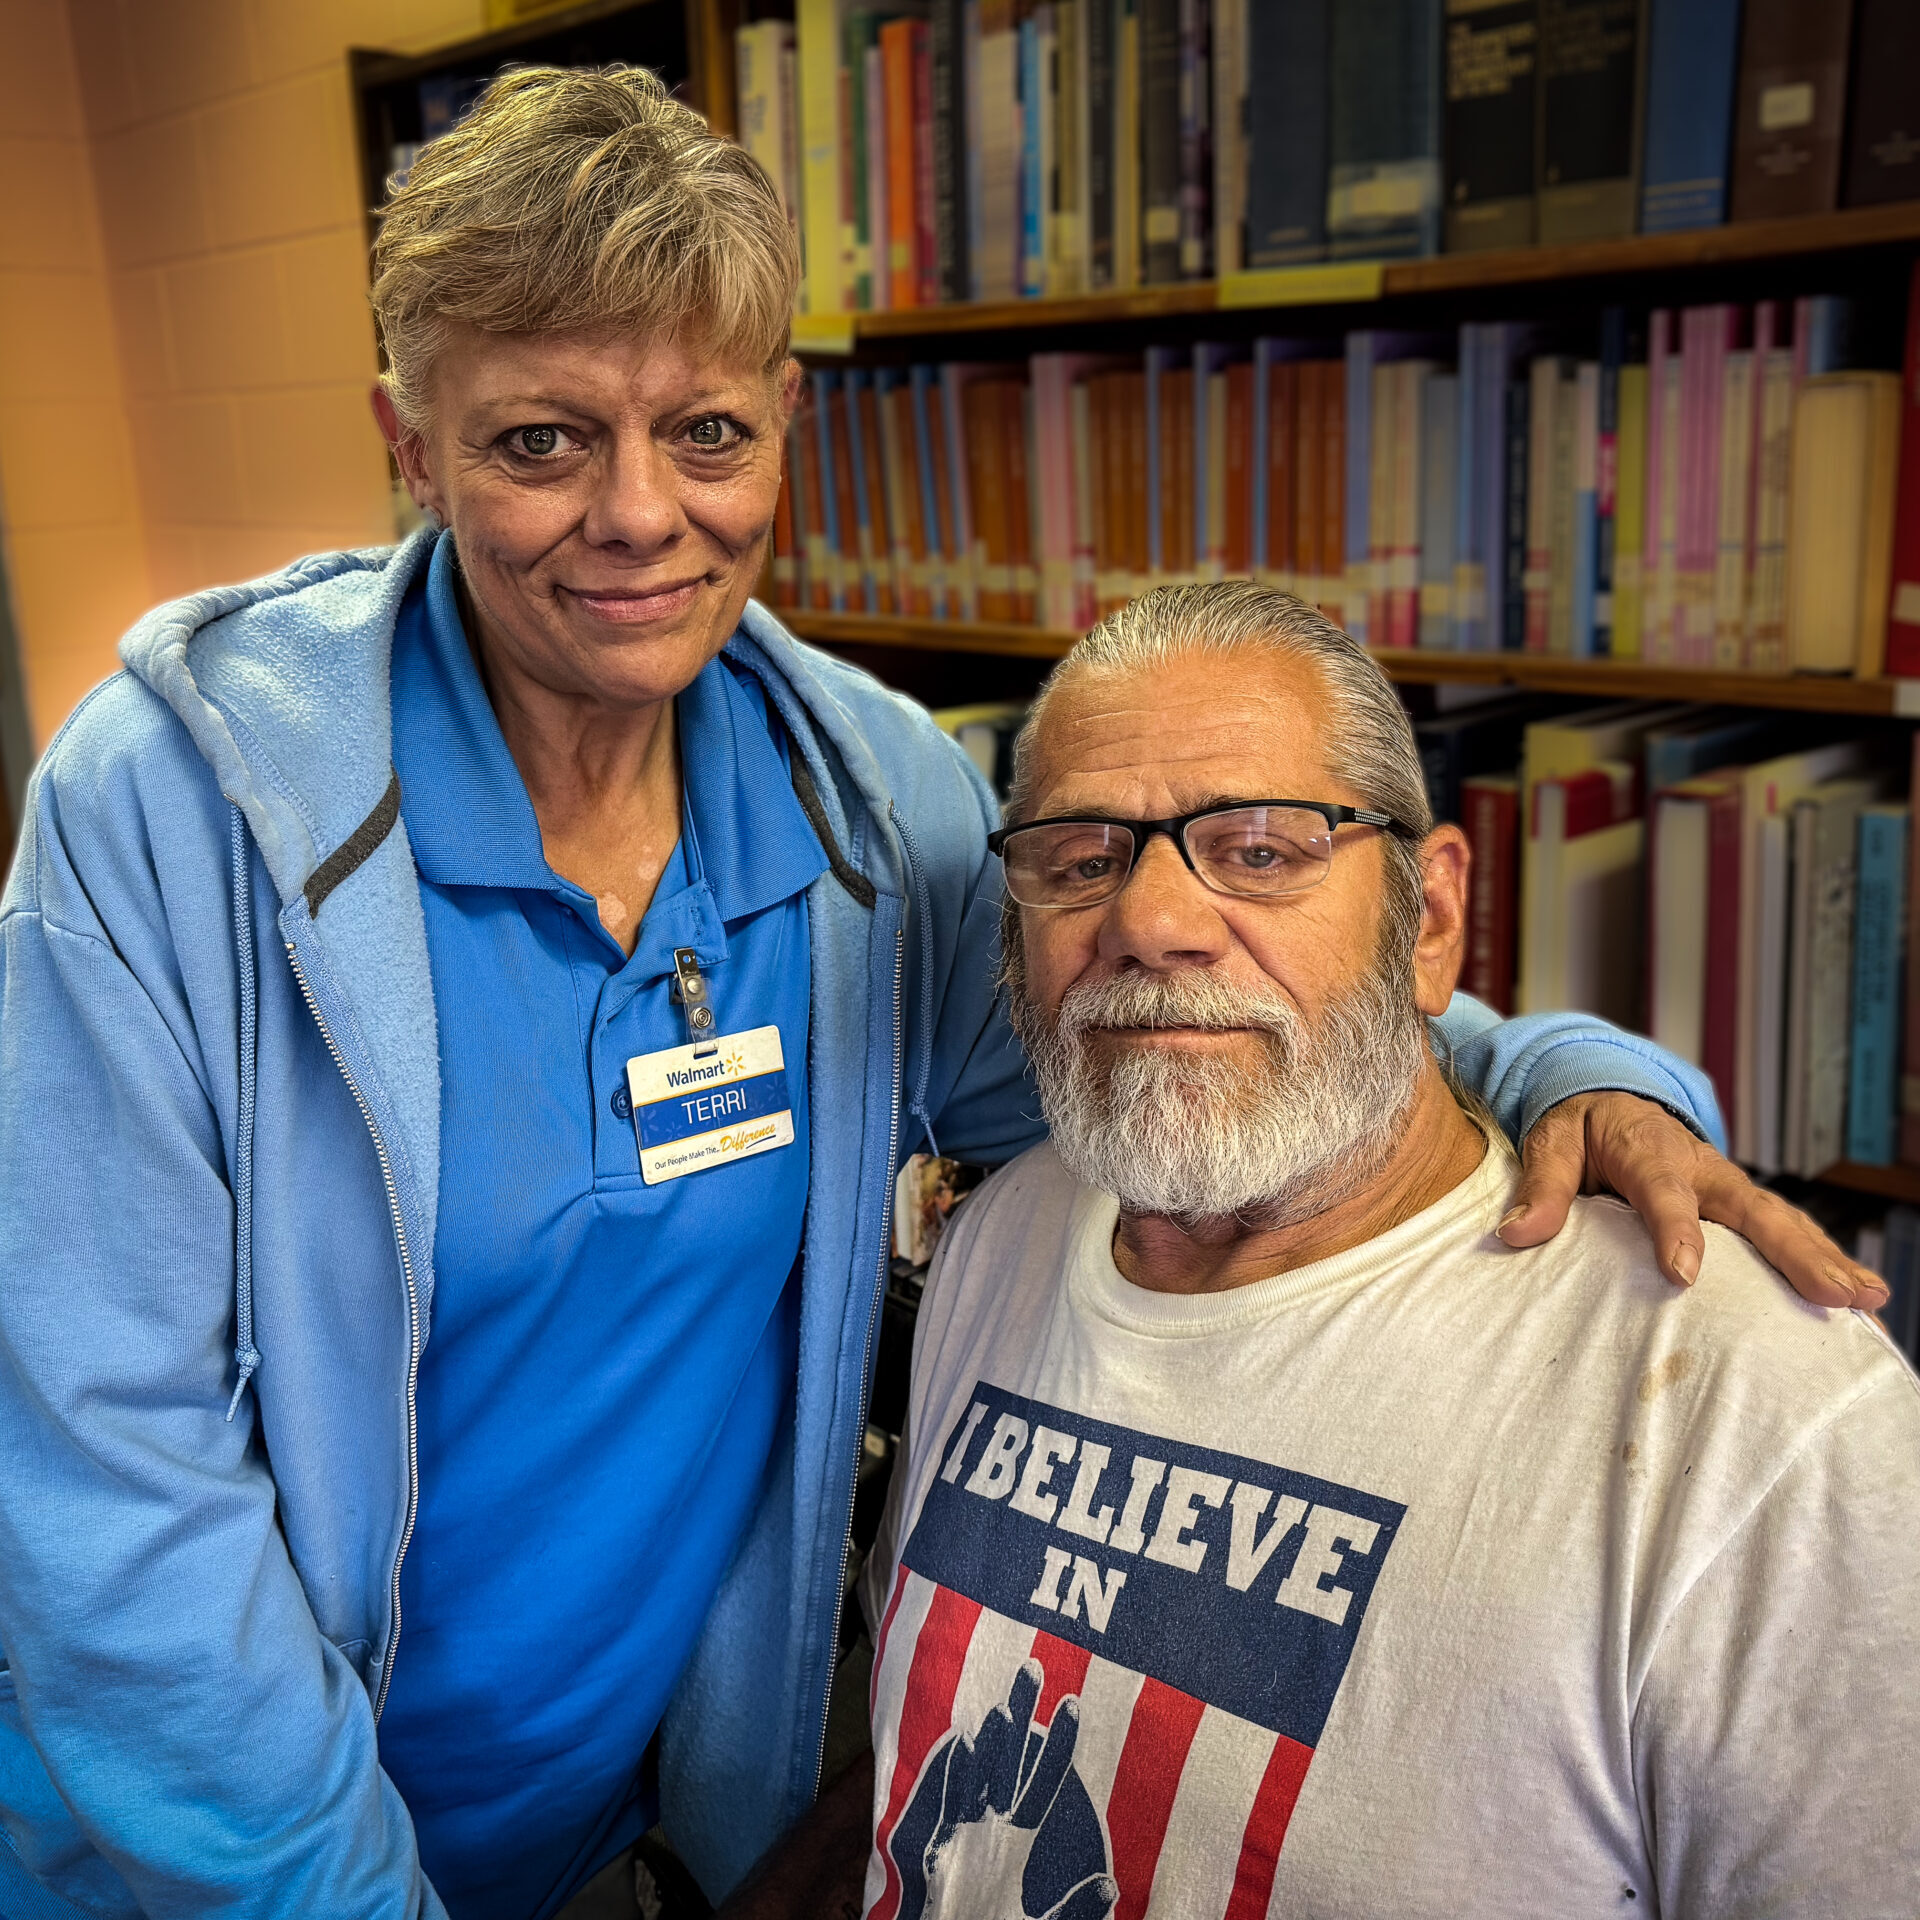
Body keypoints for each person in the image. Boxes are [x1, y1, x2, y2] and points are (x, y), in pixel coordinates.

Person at [0, 69, 1879, 1920]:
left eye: (709, 435)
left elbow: (1185, 1001)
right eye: (541, 442)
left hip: (612, 1838)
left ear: (788, 422)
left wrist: (1572, 1068)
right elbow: (108, 1487)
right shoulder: (175, 812)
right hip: (200, 1864)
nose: (641, 515)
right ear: (411, 444)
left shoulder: (865, 798)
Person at [792, 584, 1914, 1919]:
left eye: (1262, 850)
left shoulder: (1755, 1410)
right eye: (1081, 858)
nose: (1151, 921)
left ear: (1430, 920)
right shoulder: (1006, 1234)